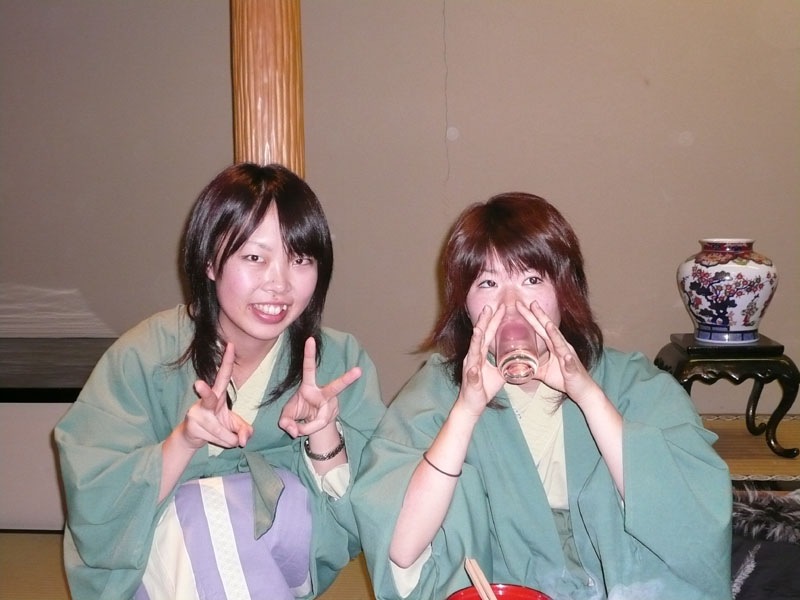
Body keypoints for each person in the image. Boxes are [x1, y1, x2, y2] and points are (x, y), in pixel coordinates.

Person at [352, 193, 732, 600]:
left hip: (628, 582)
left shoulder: (632, 383)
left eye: (532, 279)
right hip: (507, 584)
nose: (511, 306)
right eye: (488, 283)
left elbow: (692, 523)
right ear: (464, 302)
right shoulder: (437, 391)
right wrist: (465, 411)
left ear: (565, 289)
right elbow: (401, 548)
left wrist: (589, 396)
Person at [55, 163, 385, 599]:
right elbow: (96, 501)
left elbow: (367, 512)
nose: (279, 284)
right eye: (254, 257)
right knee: (204, 509)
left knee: (241, 506)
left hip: (288, 551)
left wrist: (323, 432)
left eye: (300, 259)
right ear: (210, 261)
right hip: (155, 557)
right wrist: (184, 442)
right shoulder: (146, 354)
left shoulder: (337, 361)